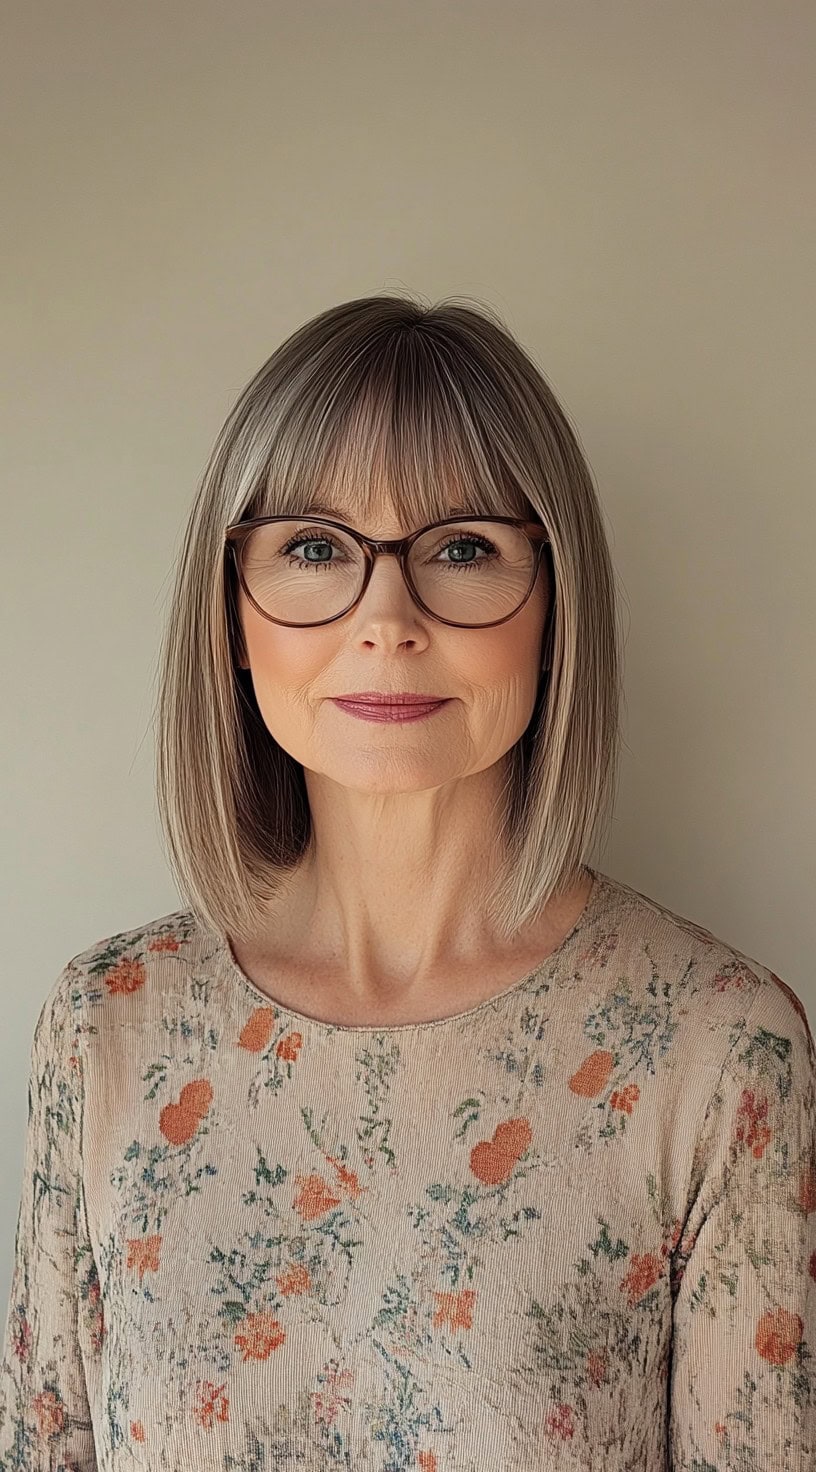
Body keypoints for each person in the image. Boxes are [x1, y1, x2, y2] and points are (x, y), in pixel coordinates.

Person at [0, 293, 813, 1471]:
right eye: (316, 547)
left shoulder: (719, 1054)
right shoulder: (104, 1030)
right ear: (233, 610)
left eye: (465, 548)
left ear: (556, 601)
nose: (387, 618)